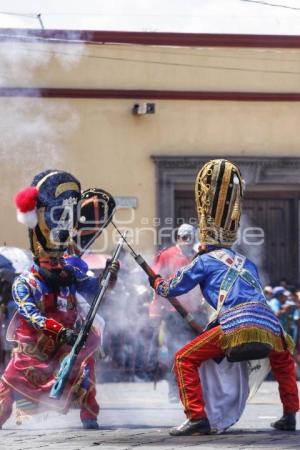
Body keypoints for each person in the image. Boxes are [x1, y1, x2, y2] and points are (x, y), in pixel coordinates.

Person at [149, 159, 299, 435]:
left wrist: (155, 280)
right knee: (283, 361)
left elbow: (170, 290)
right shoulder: (245, 261)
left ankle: (197, 417)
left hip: (235, 324)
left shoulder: (202, 261)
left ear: (203, 241)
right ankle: (290, 414)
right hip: (269, 323)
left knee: (183, 359)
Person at [0, 170, 117, 430]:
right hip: (35, 349)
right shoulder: (25, 284)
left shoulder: (71, 272)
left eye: (58, 260)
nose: (57, 264)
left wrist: (111, 277)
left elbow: (96, 292)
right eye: (51, 261)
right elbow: (32, 316)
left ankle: (89, 417)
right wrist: (59, 331)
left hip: (67, 345)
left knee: (86, 365)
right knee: (7, 384)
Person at [148, 223, 207, 401]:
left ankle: (196, 389)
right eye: (184, 237)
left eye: (190, 237)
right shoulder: (166, 255)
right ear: (178, 237)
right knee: (177, 352)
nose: (187, 241)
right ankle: (174, 390)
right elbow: (155, 282)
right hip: (174, 312)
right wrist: (156, 312)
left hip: (197, 312)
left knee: (199, 352)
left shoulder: (198, 257)